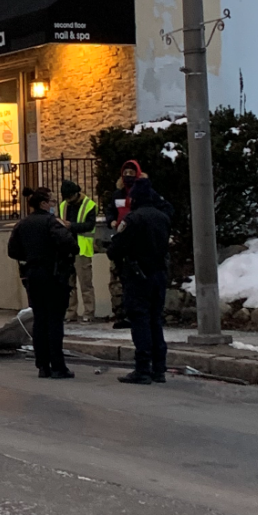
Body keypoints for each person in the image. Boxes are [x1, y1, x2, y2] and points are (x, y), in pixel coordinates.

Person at [107, 177, 174, 385]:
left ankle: (143, 368)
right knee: (155, 320)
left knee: (140, 321)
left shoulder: (133, 219)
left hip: (138, 277)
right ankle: (159, 368)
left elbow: (115, 249)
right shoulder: (162, 218)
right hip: (159, 275)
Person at [7, 186, 77, 379]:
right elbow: (70, 244)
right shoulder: (51, 222)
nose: (53, 205)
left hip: (33, 275)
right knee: (54, 321)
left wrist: (31, 256)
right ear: (43, 203)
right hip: (53, 275)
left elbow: (13, 251)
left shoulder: (22, 224)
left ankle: (42, 366)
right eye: (51, 202)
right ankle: (58, 366)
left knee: (40, 320)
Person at [103, 159, 143, 328]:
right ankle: (121, 313)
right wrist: (111, 221)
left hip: (135, 239)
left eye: (131, 174)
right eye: (125, 174)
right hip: (119, 236)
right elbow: (110, 210)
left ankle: (136, 313)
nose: (128, 177)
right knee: (118, 280)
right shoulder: (117, 194)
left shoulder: (141, 193)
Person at [58, 180, 98, 322]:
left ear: (76, 193)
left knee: (85, 283)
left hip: (82, 250)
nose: (68, 200)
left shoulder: (89, 205)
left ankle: (89, 313)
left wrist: (72, 226)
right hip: (67, 249)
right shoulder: (63, 205)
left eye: (70, 197)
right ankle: (71, 313)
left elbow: (90, 225)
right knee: (69, 284)